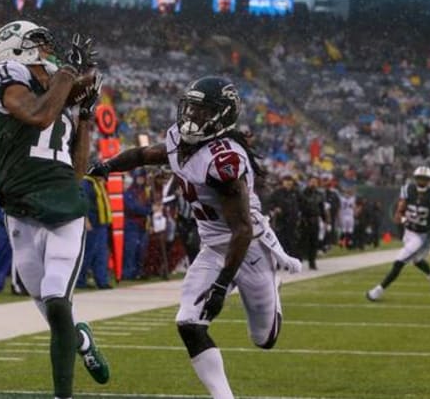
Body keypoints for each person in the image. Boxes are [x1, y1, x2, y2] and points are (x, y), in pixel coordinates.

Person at [89, 76, 301, 398]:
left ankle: (272, 282)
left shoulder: (223, 160)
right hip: (214, 249)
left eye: (203, 111)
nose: (192, 116)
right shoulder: (180, 141)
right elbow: (145, 155)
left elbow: (242, 229)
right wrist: (108, 165)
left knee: (264, 339)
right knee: (189, 322)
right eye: (191, 107)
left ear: (223, 115)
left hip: (250, 248)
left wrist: (220, 286)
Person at [0, 20, 109, 399]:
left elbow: (77, 169)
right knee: (42, 298)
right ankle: (81, 340)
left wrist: (85, 114)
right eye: (37, 46)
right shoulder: (4, 78)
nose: (47, 54)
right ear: (13, 52)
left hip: (62, 204)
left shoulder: (57, 96)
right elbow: (38, 114)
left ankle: (63, 395)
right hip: (20, 205)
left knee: (57, 300)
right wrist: (71, 75)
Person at [366, 166, 430, 301]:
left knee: (399, 262)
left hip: (422, 236)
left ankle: (377, 291)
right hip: (409, 231)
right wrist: (400, 216)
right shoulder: (407, 190)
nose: (422, 182)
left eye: (425, 179)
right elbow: (400, 211)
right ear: (415, 179)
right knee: (416, 261)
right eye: (419, 178)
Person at [76, 173, 112, 289]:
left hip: (101, 223)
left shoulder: (98, 183)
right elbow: (82, 203)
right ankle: (80, 280)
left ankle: (102, 281)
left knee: (101, 254)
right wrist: (85, 220)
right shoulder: (86, 184)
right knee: (88, 253)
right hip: (92, 223)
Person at [123, 168, 150, 279]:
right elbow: (133, 207)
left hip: (143, 224)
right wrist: (145, 210)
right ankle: (128, 273)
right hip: (131, 224)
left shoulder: (146, 192)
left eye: (142, 177)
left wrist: (146, 210)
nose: (141, 180)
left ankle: (138, 272)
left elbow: (150, 206)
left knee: (141, 249)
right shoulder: (129, 192)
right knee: (131, 249)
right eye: (139, 177)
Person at [267, 174, 301, 258]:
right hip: (281, 221)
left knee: (292, 241)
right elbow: (270, 203)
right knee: (281, 241)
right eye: (286, 181)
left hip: (292, 221)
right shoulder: (277, 192)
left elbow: (302, 203)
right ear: (283, 182)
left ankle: (291, 259)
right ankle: (280, 260)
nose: (288, 183)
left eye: (290, 181)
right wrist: (275, 208)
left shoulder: (296, 192)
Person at [299, 176, 328, 270]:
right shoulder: (303, 193)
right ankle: (299, 261)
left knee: (314, 242)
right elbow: (299, 206)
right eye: (312, 181)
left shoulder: (320, 194)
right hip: (305, 220)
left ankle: (312, 262)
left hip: (315, 220)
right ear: (308, 182)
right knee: (303, 242)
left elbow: (322, 208)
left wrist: (325, 220)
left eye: (315, 182)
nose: (313, 183)